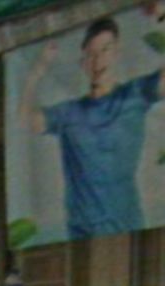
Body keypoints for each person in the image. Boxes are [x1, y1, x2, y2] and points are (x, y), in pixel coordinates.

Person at [20, 17, 165, 239]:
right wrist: (36, 72)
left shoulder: (135, 94)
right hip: (82, 235)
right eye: (91, 54)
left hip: (128, 229)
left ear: (117, 53)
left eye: (105, 50)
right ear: (83, 63)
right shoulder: (68, 112)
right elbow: (25, 120)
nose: (98, 60)